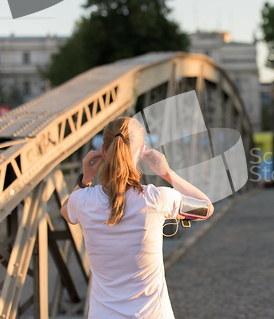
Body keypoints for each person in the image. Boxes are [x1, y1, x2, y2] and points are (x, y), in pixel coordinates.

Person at [60, 117, 214, 318]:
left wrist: (85, 179)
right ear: (142, 151)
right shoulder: (157, 199)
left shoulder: (82, 200)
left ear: (104, 151)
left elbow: (65, 211)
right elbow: (206, 208)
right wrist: (168, 173)